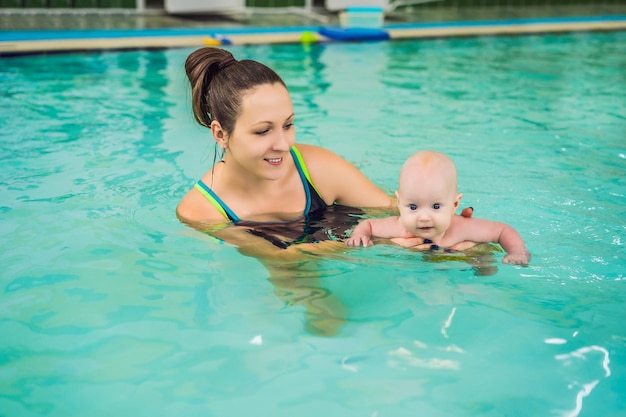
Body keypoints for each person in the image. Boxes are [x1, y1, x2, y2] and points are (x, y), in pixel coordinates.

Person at [176, 47, 474, 335]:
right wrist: (382, 241)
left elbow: (394, 210)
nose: (283, 143)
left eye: (288, 125)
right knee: (328, 318)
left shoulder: (317, 168)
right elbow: (281, 258)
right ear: (220, 133)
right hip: (294, 260)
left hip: (336, 230)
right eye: (263, 131)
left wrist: (448, 224)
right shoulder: (202, 210)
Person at [345, 150, 531, 266]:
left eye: (435, 206)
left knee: (485, 266)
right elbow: (368, 225)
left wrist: (517, 252)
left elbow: (502, 231)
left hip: (462, 264)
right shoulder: (398, 226)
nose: (424, 217)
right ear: (399, 202)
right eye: (413, 206)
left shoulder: (463, 228)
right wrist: (359, 235)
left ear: (455, 205)